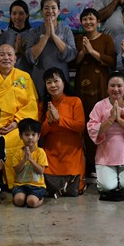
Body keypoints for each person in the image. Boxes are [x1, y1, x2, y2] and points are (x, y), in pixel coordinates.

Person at [0, 44, 39, 188]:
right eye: (2, 54)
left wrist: (17, 122)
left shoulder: (24, 77)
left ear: (15, 59)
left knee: (20, 139)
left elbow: (31, 104)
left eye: (9, 54)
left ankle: (21, 182)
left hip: (17, 125)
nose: (6, 58)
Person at [87, 71, 124, 201]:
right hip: (105, 153)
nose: (116, 89)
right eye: (112, 85)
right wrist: (110, 119)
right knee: (108, 187)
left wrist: (119, 119)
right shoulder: (99, 106)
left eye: (119, 86)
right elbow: (93, 129)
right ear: (107, 88)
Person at [74, 7, 116, 176]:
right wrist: (83, 52)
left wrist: (92, 52)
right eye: (85, 19)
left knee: (102, 121)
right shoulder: (78, 39)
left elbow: (112, 61)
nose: (88, 22)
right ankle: (90, 162)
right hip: (82, 88)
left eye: (91, 19)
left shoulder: (106, 39)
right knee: (85, 123)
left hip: (101, 85)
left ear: (98, 22)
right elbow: (73, 62)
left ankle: (104, 161)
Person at [39, 68, 86, 196]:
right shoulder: (43, 105)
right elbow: (39, 133)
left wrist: (59, 119)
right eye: (49, 82)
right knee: (48, 185)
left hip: (72, 150)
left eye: (56, 81)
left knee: (75, 186)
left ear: (63, 82)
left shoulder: (75, 101)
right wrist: (49, 121)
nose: (53, 85)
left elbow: (80, 126)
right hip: (51, 151)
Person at [27, 0, 78, 98]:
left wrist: (54, 36)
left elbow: (72, 54)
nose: (50, 11)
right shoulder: (34, 32)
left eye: (53, 8)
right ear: (42, 12)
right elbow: (30, 56)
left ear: (59, 11)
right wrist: (46, 36)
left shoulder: (66, 31)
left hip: (61, 77)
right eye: (46, 8)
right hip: (40, 76)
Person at [12, 118, 48, 208]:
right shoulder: (17, 152)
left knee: (31, 202)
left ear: (38, 136)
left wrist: (31, 160)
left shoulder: (40, 152)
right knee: (19, 201)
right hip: (20, 185)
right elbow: (17, 170)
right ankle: (22, 198)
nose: (30, 137)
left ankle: (40, 199)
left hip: (37, 186)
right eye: (27, 135)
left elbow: (41, 171)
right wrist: (24, 159)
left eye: (33, 134)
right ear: (20, 136)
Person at [0, 0, 34, 72]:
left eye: (21, 13)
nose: (17, 17)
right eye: (14, 13)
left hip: (29, 74)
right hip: (8, 74)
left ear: (27, 15)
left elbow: (36, 59)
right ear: (10, 15)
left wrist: (22, 51)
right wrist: (15, 52)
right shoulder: (4, 36)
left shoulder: (33, 34)